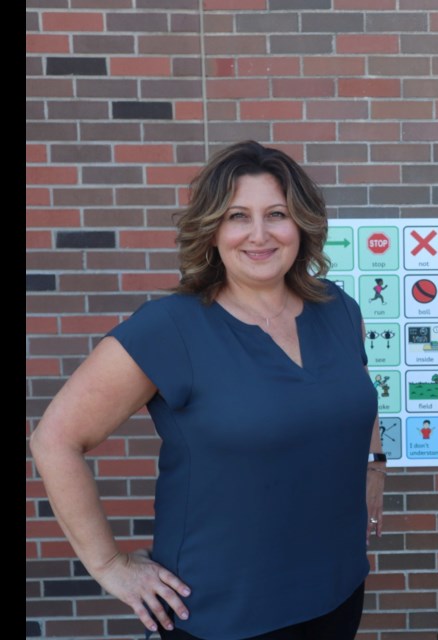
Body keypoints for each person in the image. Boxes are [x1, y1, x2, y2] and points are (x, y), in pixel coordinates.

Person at [29, 141, 387, 640]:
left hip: (337, 589)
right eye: (238, 215)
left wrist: (374, 465)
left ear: (300, 225)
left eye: (276, 214)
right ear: (213, 229)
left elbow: (356, 393)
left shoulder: (338, 309)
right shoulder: (170, 328)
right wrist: (109, 563)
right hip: (222, 613)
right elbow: (55, 439)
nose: (259, 234)